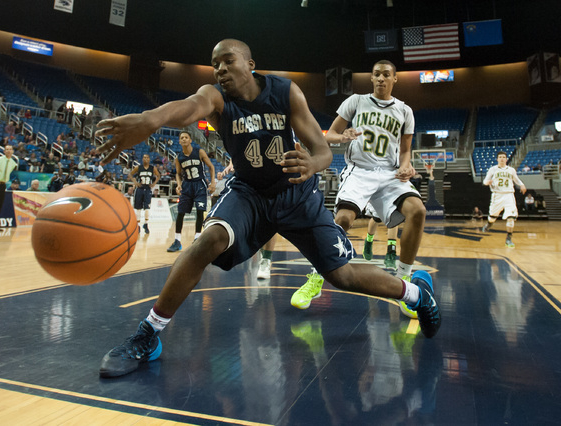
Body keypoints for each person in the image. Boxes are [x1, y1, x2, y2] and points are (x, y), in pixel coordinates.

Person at [94, 39, 440, 378]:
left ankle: (415, 294)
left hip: (296, 195)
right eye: (216, 63)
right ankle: (148, 334)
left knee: (342, 276)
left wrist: (312, 164)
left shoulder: (285, 91)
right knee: (207, 241)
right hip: (250, 193)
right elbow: (187, 109)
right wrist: (150, 119)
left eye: (228, 60)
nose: (220, 68)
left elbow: (321, 150)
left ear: (251, 64)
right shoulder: (216, 96)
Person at [291, 59, 425, 320]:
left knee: (417, 211)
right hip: (359, 171)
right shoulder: (355, 101)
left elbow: (406, 150)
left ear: (394, 79)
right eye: (376, 74)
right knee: (342, 220)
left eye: (386, 74)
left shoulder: (405, 110)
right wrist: (342, 137)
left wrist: (407, 166)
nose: (381, 79)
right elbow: (328, 134)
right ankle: (316, 278)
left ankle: (404, 282)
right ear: (371, 78)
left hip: (389, 174)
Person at [166, 130, 216, 252]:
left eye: (186, 137)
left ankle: (197, 239)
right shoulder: (179, 158)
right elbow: (178, 174)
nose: (183, 139)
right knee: (181, 213)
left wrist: (213, 182)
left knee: (200, 211)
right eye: (181, 137)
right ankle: (177, 241)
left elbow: (211, 167)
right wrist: (178, 185)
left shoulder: (199, 152)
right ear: (179, 141)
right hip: (187, 185)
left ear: (190, 140)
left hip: (200, 184)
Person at [481, 151, 526, 247]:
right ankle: (489, 224)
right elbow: (485, 180)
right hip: (497, 195)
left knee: (511, 217)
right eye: (500, 157)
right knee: (493, 216)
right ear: (497, 159)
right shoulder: (493, 169)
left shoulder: (511, 170)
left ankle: (508, 239)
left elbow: (516, 179)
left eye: (503, 157)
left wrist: (521, 184)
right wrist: (487, 182)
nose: (502, 158)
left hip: (509, 195)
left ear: (506, 159)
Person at [362, 203, 399, 270]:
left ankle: (391, 254)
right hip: (378, 194)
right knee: (377, 218)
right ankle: (368, 241)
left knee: (393, 217)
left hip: (393, 194)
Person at [129, 153, 159, 234]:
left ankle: (146, 224)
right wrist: (135, 182)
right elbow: (130, 174)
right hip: (139, 189)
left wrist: (154, 183)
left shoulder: (153, 168)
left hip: (148, 189)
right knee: (138, 208)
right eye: (144, 157)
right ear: (142, 159)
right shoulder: (138, 167)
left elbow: (158, 176)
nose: (145, 159)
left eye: (147, 157)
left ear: (149, 159)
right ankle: (138, 225)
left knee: (147, 209)